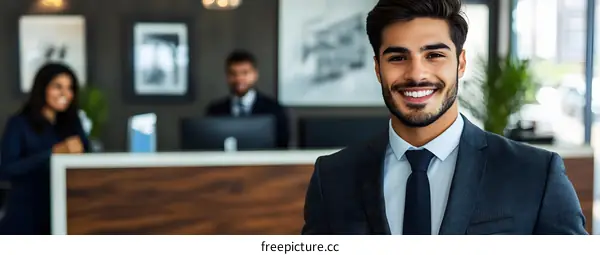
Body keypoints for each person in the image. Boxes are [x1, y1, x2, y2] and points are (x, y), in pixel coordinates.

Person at [302, 0, 587, 235]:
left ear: (460, 63)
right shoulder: (333, 177)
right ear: (378, 69)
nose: (416, 74)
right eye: (398, 58)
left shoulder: (535, 173)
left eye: (434, 55)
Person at [0, 63, 90, 235]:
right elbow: (7, 169)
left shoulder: (72, 123)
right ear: (43, 89)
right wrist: (53, 153)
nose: (66, 94)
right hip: (26, 214)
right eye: (58, 87)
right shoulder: (19, 124)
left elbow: (86, 159)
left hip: (65, 211)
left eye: (70, 88)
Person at [205, 50, 290, 148]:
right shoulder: (214, 111)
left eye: (245, 73)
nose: (239, 78)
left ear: (255, 75)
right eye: (233, 74)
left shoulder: (274, 110)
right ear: (227, 76)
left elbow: (283, 147)